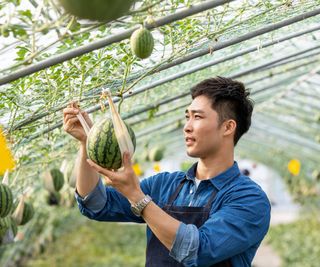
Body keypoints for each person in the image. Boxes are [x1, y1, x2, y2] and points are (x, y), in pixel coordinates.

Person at [63, 76, 271, 267]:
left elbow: (197, 250)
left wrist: (137, 197)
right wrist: (86, 142)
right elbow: (97, 204)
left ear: (228, 127)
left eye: (197, 117)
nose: (187, 127)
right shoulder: (165, 185)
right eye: (187, 117)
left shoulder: (249, 199)